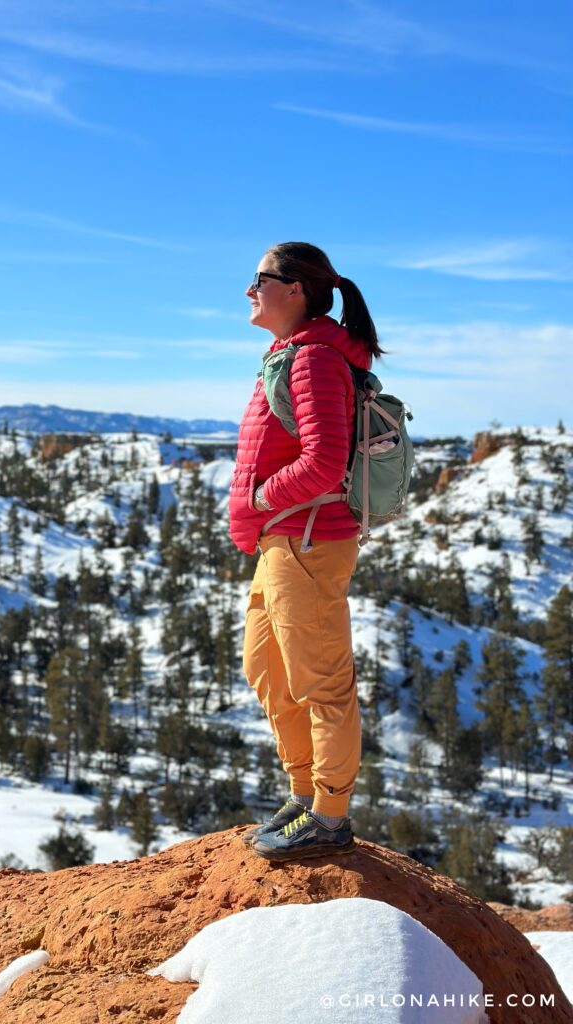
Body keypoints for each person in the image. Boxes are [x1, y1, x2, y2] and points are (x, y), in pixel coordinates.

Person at [228, 241, 383, 861]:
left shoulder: (314, 359)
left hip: (309, 537)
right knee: (266, 669)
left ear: (294, 289)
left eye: (259, 278)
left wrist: (260, 497)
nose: (249, 289)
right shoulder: (290, 354)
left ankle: (330, 814)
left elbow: (322, 463)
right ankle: (302, 794)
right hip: (283, 539)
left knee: (321, 680)